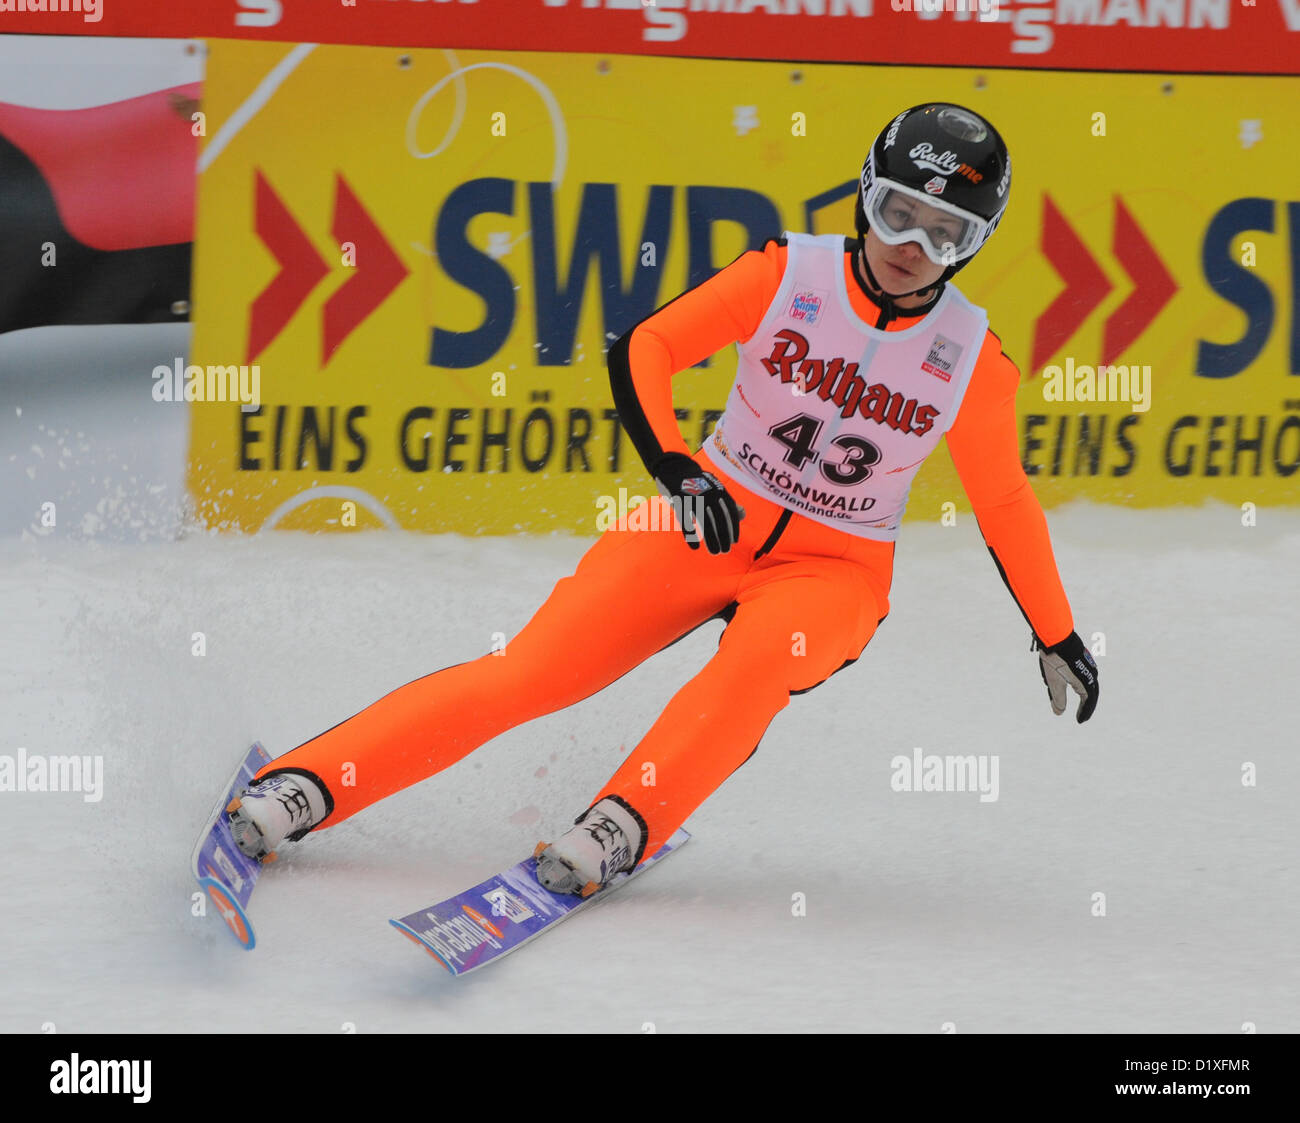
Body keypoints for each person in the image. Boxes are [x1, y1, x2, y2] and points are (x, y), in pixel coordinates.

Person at [225, 103, 1099, 896]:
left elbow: (1005, 502)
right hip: (707, 515)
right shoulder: (787, 272)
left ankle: (620, 824)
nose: (911, 245)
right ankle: (307, 785)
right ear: (865, 195)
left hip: (836, 568)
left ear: (977, 240)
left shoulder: (973, 359)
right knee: (532, 673)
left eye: (944, 231)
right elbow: (647, 346)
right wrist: (678, 467)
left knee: (754, 666)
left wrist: (1055, 629)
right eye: (897, 212)